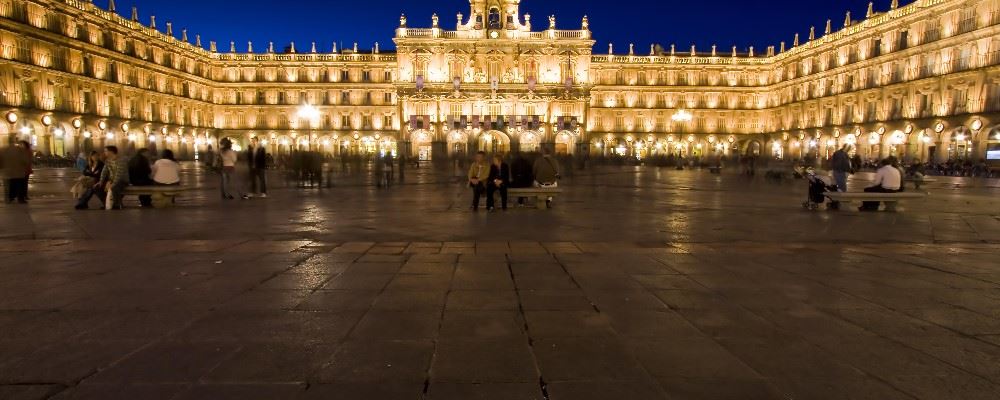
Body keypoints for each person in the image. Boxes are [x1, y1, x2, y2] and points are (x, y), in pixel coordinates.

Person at [97, 146, 129, 210]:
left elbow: (119, 175)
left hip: (122, 181)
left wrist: (112, 184)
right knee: (97, 188)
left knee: (114, 187)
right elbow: (104, 171)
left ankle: (116, 205)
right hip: (112, 180)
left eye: (106, 151)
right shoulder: (108, 161)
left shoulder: (121, 161)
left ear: (111, 152)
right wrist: (101, 181)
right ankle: (107, 203)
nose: (104, 152)